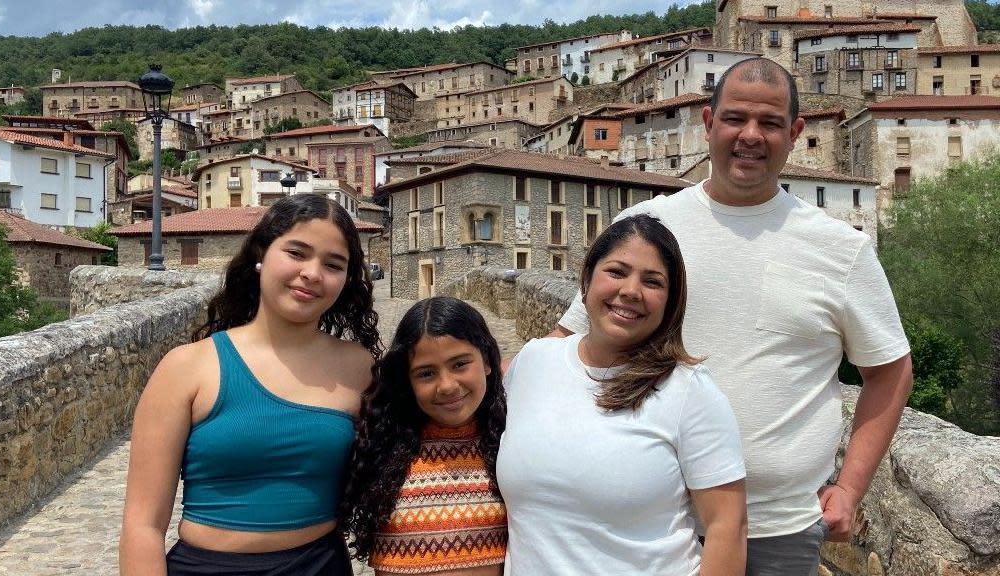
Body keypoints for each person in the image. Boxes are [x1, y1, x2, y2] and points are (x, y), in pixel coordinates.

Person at [553, 58, 913, 575]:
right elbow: (568, 347)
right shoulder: (645, 227)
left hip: (778, 530)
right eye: (734, 119)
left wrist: (850, 487)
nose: (750, 136)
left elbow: (891, 372)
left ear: (795, 133)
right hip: (648, 519)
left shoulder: (842, 250)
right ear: (708, 124)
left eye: (768, 124)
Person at [119, 194, 382, 576]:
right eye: (296, 253)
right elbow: (142, 524)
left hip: (320, 566)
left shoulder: (361, 369)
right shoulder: (187, 368)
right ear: (261, 254)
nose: (312, 273)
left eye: (333, 265)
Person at [499, 215, 747, 576]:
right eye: (616, 272)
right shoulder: (534, 362)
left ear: (670, 302)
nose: (631, 291)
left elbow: (729, 527)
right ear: (586, 281)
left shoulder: (689, 392)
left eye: (652, 281)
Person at [339, 296, 508, 576]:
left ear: (487, 362)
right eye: (426, 373)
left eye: (460, 364)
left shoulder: (509, 447)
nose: (447, 386)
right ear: (407, 379)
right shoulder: (380, 447)